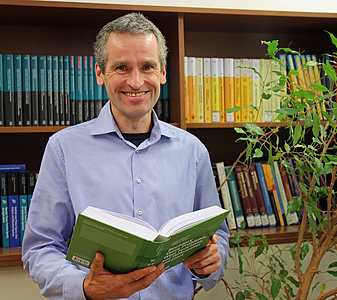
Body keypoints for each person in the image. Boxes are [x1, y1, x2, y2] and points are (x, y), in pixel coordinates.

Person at [22, 12, 229, 300]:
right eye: (121, 67)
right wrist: (84, 287)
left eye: (147, 67)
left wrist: (211, 261)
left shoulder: (192, 150)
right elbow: (40, 248)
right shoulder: (63, 149)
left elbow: (219, 236)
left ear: (162, 72)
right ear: (99, 73)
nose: (136, 81)